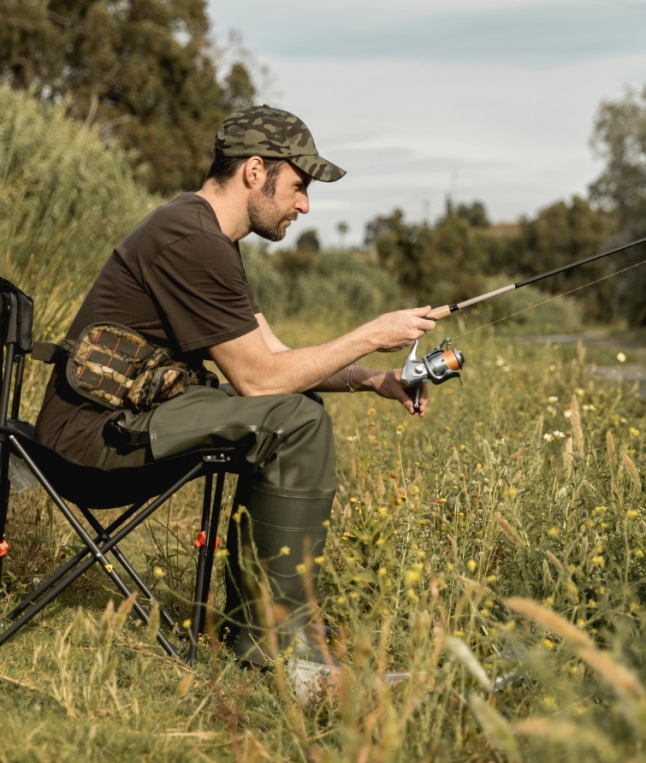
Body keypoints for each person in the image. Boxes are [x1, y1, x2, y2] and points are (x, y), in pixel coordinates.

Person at [33, 105, 436, 664]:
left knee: (298, 405)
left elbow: (276, 358)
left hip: (116, 425)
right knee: (295, 419)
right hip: (90, 442)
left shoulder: (208, 237)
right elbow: (258, 380)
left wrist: (376, 379)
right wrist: (371, 333)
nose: (305, 204)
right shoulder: (189, 238)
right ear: (254, 170)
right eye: (298, 185)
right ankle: (279, 642)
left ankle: (264, 630)